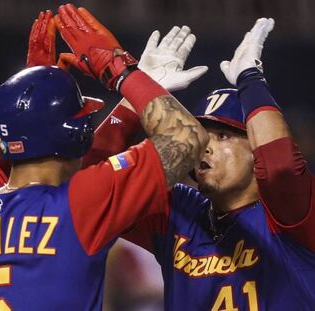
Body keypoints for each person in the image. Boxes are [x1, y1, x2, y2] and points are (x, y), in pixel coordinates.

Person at [0, 6, 209, 310]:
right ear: (77, 134)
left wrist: (28, 95)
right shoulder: (81, 203)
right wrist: (123, 73)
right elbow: (187, 138)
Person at [87, 18, 315, 310]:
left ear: (256, 147)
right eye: (202, 136)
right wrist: (134, 99)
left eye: (223, 136)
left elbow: (281, 166)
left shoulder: (292, 216)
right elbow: (92, 189)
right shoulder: (178, 213)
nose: (206, 146)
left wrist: (251, 79)